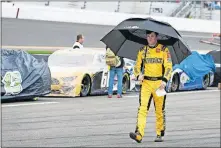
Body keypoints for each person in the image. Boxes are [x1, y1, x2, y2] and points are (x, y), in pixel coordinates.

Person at [129, 31, 173, 143]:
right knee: (142, 108)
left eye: (152, 36)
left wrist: (165, 80)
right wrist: (138, 75)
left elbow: (168, 66)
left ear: (157, 37)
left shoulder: (164, 50)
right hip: (146, 83)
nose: (150, 38)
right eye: (148, 36)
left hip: (159, 83)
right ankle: (139, 134)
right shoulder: (142, 51)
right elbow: (136, 66)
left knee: (159, 110)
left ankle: (160, 133)